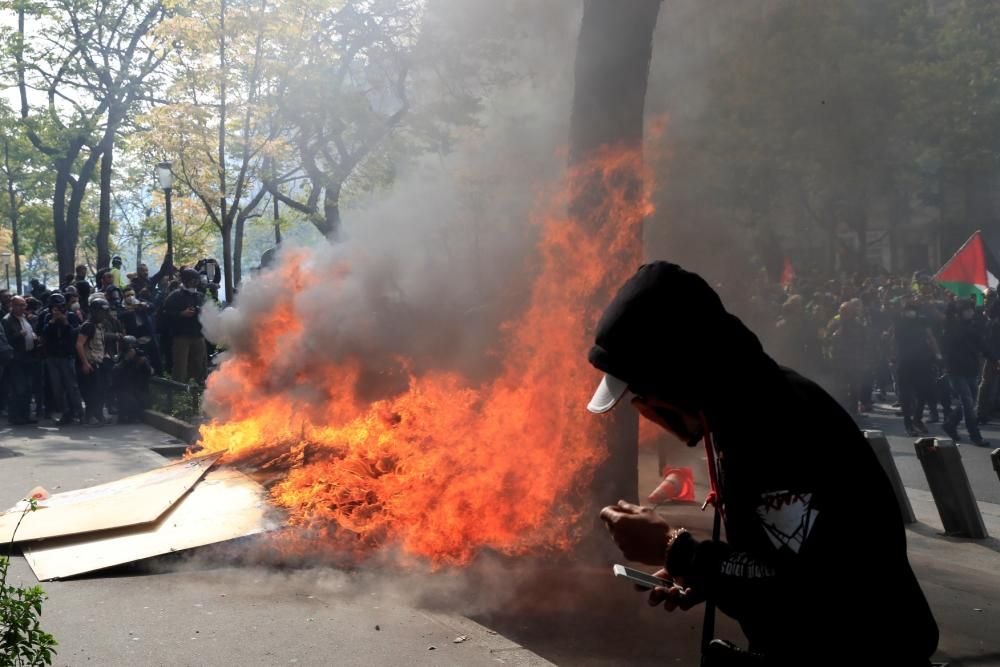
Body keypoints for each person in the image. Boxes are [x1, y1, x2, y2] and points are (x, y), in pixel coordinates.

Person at [591, 262, 937, 667]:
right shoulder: (739, 411)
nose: (643, 411)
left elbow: (804, 589)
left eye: (639, 394)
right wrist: (702, 578)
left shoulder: (776, 423)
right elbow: (776, 559)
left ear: (676, 376)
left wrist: (677, 551)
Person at [941, 298, 992, 446]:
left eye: (971, 309)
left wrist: (995, 359)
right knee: (968, 403)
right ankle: (975, 435)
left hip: (970, 369)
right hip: (955, 370)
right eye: (967, 310)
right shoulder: (951, 327)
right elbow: (946, 347)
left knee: (968, 402)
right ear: (960, 312)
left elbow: (982, 345)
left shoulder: (972, 326)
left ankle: (950, 424)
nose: (970, 312)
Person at [893, 298, 940, 437]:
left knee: (924, 392)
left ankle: (917, 419)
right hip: (904, 361)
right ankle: (908, 423)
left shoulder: (922, 320)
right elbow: (891, 339)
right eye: (908, 309)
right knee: (906, 395)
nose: (911, 312)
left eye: (913, 309)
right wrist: (892, 356)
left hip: (922, 360)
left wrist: (938, 355)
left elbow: (931, 338)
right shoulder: (899, 322)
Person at [41, 293, 84, 424]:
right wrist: (51, 322)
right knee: (57, 387)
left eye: (59, 307)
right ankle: (66, 413)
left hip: (67, 356)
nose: (57, 310)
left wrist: (65, 323)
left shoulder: (71, 316)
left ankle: (79, 412)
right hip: (52, 357)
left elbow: (74, 334)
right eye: (54, 307)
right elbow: (43, 335)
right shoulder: (48, 317)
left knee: (72, 386)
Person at [161, 268, 206, 384]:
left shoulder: (200, 296)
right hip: (182, 336)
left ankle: (195, 389)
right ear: (186, 280)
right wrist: (181, 314)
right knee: (180, 365)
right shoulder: (175, 296)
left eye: (196, 280)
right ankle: (178, 391)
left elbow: (206, 311)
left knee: (198, 363)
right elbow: (164, 314)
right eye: (193, 280)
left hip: (198, 334)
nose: (195, 283)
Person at [76, 298, 115, 426]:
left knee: (101, 390)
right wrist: (85, 363)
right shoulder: (88, 326)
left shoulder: (101, 326)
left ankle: (98, 415)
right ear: (94, 312)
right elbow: (79, 345)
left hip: (100, 362)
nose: (103, 315)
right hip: (91, 364)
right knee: (92, 392)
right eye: (101, 312)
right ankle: (89, 417)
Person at [2, 296, 40, 425]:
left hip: (28, 357)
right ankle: (15, 416)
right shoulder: (7, 320)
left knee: (28, 388)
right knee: (18, 388)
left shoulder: (25, 318)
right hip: (16, 359)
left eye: (23, 305)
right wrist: (19, 335)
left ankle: (25, 414)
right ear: (12, 306)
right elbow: (6, 340)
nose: (22, 308)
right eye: (19, 305)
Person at [112, 335, 152, 423]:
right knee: (125, 397)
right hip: (125, 391)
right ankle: (125, 416)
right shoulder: (120, 359)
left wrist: (144, 363)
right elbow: (115, 375)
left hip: (138, 389)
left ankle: (136, 415)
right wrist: (126, 360)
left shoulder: (140, 358)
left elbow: (149, 372)